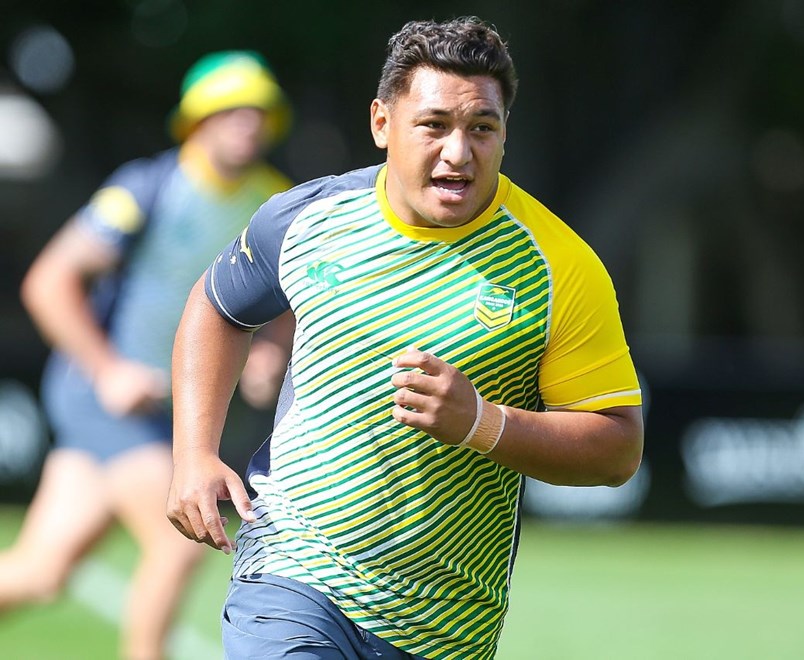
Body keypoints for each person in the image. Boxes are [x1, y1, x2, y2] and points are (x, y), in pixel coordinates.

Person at [167, 16, 644, 660]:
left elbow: (617, 448)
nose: (458, 152)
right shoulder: (305, 219)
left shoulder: (562, 266)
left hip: (445, 623)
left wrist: (481, 423)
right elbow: (217, 306)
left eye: (482, 128)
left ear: (505, 133)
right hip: (292, 569)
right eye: (434, 125)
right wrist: (193, 453)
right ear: (382, 123)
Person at [6, 50, 293, 660]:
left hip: (162, 410)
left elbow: (291, 294)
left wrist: (269, 351)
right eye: (231, 110)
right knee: (183, 536)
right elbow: (49, 282)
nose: (248, 123)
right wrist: (109, 370)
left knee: (41, 571)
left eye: (259, 111)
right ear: (196, 120)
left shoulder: (274, 202)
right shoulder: (147, 188)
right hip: (100, 397)